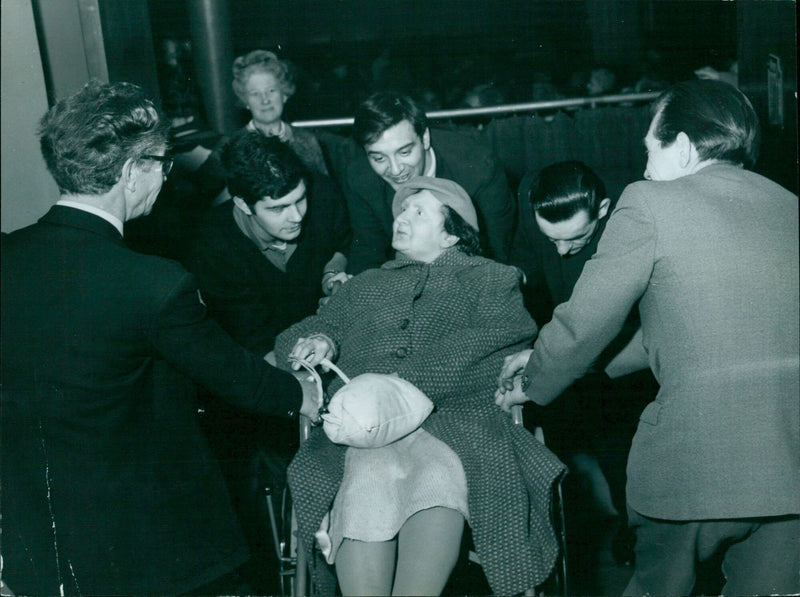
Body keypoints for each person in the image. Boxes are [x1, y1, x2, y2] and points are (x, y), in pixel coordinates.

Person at [0, 81, 321, 596]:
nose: (165, 180)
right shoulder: (154, 283)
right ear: (131, 172)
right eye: (161, 166)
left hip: (38, 547)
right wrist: (307, 392)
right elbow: (239, 381)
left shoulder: (8, 258)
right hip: (146, 552)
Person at [496, 79, 799, 596]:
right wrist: (582, 364)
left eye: (649, 150)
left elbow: (584, 322)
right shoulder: (789, 205)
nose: (643, 168)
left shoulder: (649, 202)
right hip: (789, 468)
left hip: (697, 466)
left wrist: (534, 376)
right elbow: (689, 333)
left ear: (680, 146)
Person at [274, 177, 565, 595]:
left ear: (451, 232)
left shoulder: (490, 279)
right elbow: (294, 337)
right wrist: (322, 341)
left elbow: (504, 336)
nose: (402, 218)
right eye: (402, 210)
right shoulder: (364, 285)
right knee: (364, 482)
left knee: (437, 477)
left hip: (458, 424)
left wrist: (405, 383)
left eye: (418, 212)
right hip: (368, 433)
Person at [180, 131, 351, 590]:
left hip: (337, 352)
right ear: (241, 203)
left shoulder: (323, 195)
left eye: (299, 200)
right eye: (278, 208)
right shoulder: (211, 246)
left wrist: (335, 272)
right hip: (266, 381)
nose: (297, 216)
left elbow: (341, 240)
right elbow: (252, 352)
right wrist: (313, 392)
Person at [509, 161, 655, 568]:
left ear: (603, 210)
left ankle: (640, 535)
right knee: (594, 449)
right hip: (569, 355)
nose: (560, 249)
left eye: (576, 237)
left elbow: (615, 328)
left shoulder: (630, 232)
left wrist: (545, 362)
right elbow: (527, 275)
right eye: (549, 238)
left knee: (629, 450)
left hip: (628, 356)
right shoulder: (531, 204)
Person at [342, 91, 515, 274]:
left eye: (404, 152)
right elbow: (368, 252)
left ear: (424, 138)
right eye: (379, 158)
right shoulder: (360, 179)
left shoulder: (478, 168)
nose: (395, 170)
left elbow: (497, 254)